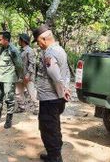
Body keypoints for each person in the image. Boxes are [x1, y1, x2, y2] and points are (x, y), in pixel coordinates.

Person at [32, 24, 71, 162]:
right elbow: (65, 73)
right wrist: (65, 91)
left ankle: (54, 158)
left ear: (44, 39)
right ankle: (53, 154)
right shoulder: (60, 49)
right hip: (56, 97)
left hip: (50, 98)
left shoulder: (50, 53)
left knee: (48, 128)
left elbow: (56, 77)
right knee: (54, 126)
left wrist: (62, 93)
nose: (39, 45)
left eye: (38, 42)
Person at [0, 31, 22, 129]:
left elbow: (19, 65)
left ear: (6, 40)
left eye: (0, 39)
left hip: (9, 78)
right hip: (0, 77)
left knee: (9, 99)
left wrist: (17, 77)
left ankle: (9, 119)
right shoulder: (1, 49)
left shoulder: (13, 50)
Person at [15, 33, 37, 113]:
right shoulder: (20, 50)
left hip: (27, 76)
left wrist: (28, 75)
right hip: (20, 76)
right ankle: (21, 107)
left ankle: (37, 108)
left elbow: (32, 63)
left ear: (23, 40)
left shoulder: (29, 51)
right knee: (18, 92)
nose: (18, 41)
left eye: (19, 39)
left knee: (31, 93)